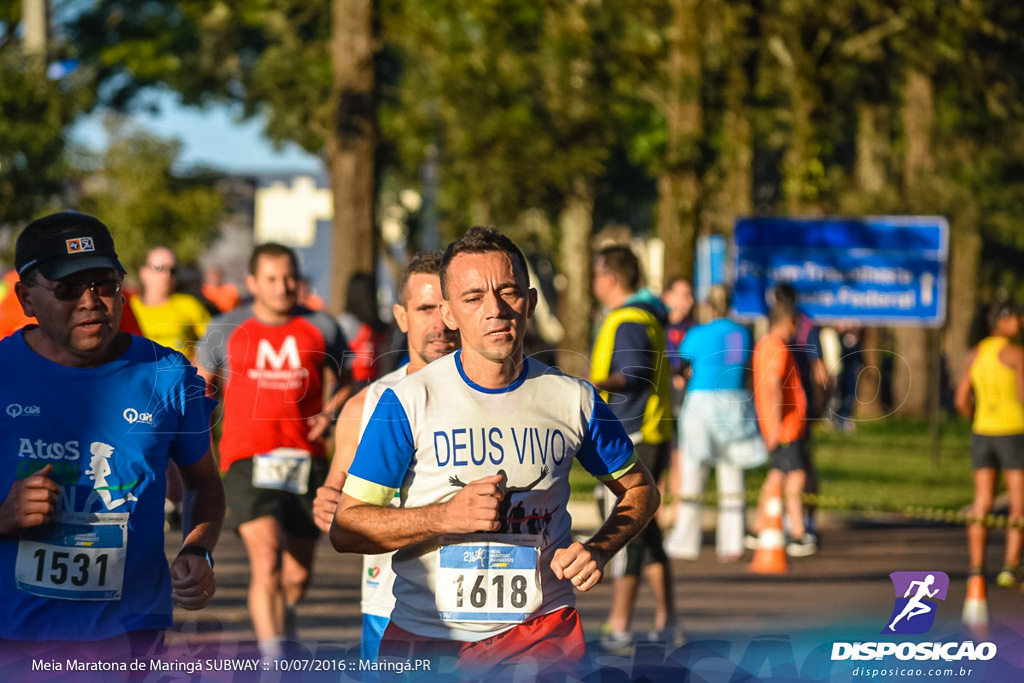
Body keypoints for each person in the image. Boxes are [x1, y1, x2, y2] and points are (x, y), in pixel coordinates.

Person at [329, 227, 660, 676]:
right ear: (448, 313)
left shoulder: (573, 398)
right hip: (427, 637)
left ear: (531, 301)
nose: (496, 310)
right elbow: (347, 528)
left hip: (542, 634)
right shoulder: (408, 401)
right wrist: (444, 517)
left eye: (508, 292)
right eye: (473, 298)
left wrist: (600, 549)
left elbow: (641, 489)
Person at [0, 211, 224, 657]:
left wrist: (197, 551)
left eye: (104, 283)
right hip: (15, 633)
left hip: (131, 632)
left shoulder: (167, 374)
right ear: (26, 298)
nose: (91, 301)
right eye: (67, 289)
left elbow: (203, 483)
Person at [197, 243, 352, 660]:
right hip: (247, 457)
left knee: (296, 576)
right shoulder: (225, 327)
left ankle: (286, 621)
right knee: (265, 561)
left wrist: (330, 414)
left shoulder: (323, 326)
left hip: (308, 459)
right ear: (252, 283)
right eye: (271, 279)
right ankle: (273, 663)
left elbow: (346, 384)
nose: (283, 287)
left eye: (289, 278)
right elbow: (199, 388)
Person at [312, 251, 460, 664]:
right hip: (388, 603)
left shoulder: (501, 397)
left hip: (485, 611)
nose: (439, 323)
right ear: (401, 315)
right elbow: (335, 495)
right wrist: (327, 503)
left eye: (448, 308)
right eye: (426, 308)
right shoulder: (367, 404)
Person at [590, 244, 678, 651]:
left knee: (626, 529)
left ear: (610, 278)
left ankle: (619, 625)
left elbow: (634, 374)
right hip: (650, 431)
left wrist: (590, 387)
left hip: (634, 435)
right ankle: (668, 620)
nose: (593, 284)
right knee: (649, 531)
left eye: (596, 275)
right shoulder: (646, 315)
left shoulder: (628, 319)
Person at [665, 285, 763, 563]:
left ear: (709, 306)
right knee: (731, 472)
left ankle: (685, 542)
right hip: (734, 401)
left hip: (701, 403)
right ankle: (731, 543)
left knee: (693, 471)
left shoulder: (697, 333)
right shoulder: (742, 333)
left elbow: (682, 365)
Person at [954, 302, 1024, 589]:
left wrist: (977, 418)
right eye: (1018, 318)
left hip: (982, 433)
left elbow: (960, 400)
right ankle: (1010, 566)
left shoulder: (975, 353)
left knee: (981, 502)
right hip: (1013, 432)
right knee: (1018, 503)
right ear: (1004, 321)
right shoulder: (1016, 354)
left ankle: (976, 567)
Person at [751, 299, 816, 557]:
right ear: (788, 321)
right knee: (796, 477)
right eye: (796, 324)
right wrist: (776, 426)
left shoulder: (765, 344)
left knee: (777, 475)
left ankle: (757, 529)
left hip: (781, 426)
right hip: (786, 427)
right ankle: (798, 533)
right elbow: (774, 385)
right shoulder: (777, 347)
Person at [772, 283, 829, 544]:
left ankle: (800, 524)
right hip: (797, 405)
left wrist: (820, 402)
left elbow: (820, 371)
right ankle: (799, 520)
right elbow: (822, 372)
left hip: (793, 407)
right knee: (794, 464)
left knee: (795, 467)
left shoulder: (798, 327)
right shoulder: (805, 325)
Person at [130, 246, 212, 359]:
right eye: (159, 268)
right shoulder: (128, 308)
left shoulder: (188, 305)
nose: (167, 275)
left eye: (172, 270)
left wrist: (200, 366)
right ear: (143, 272)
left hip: (182, 374)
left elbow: (216, 340)